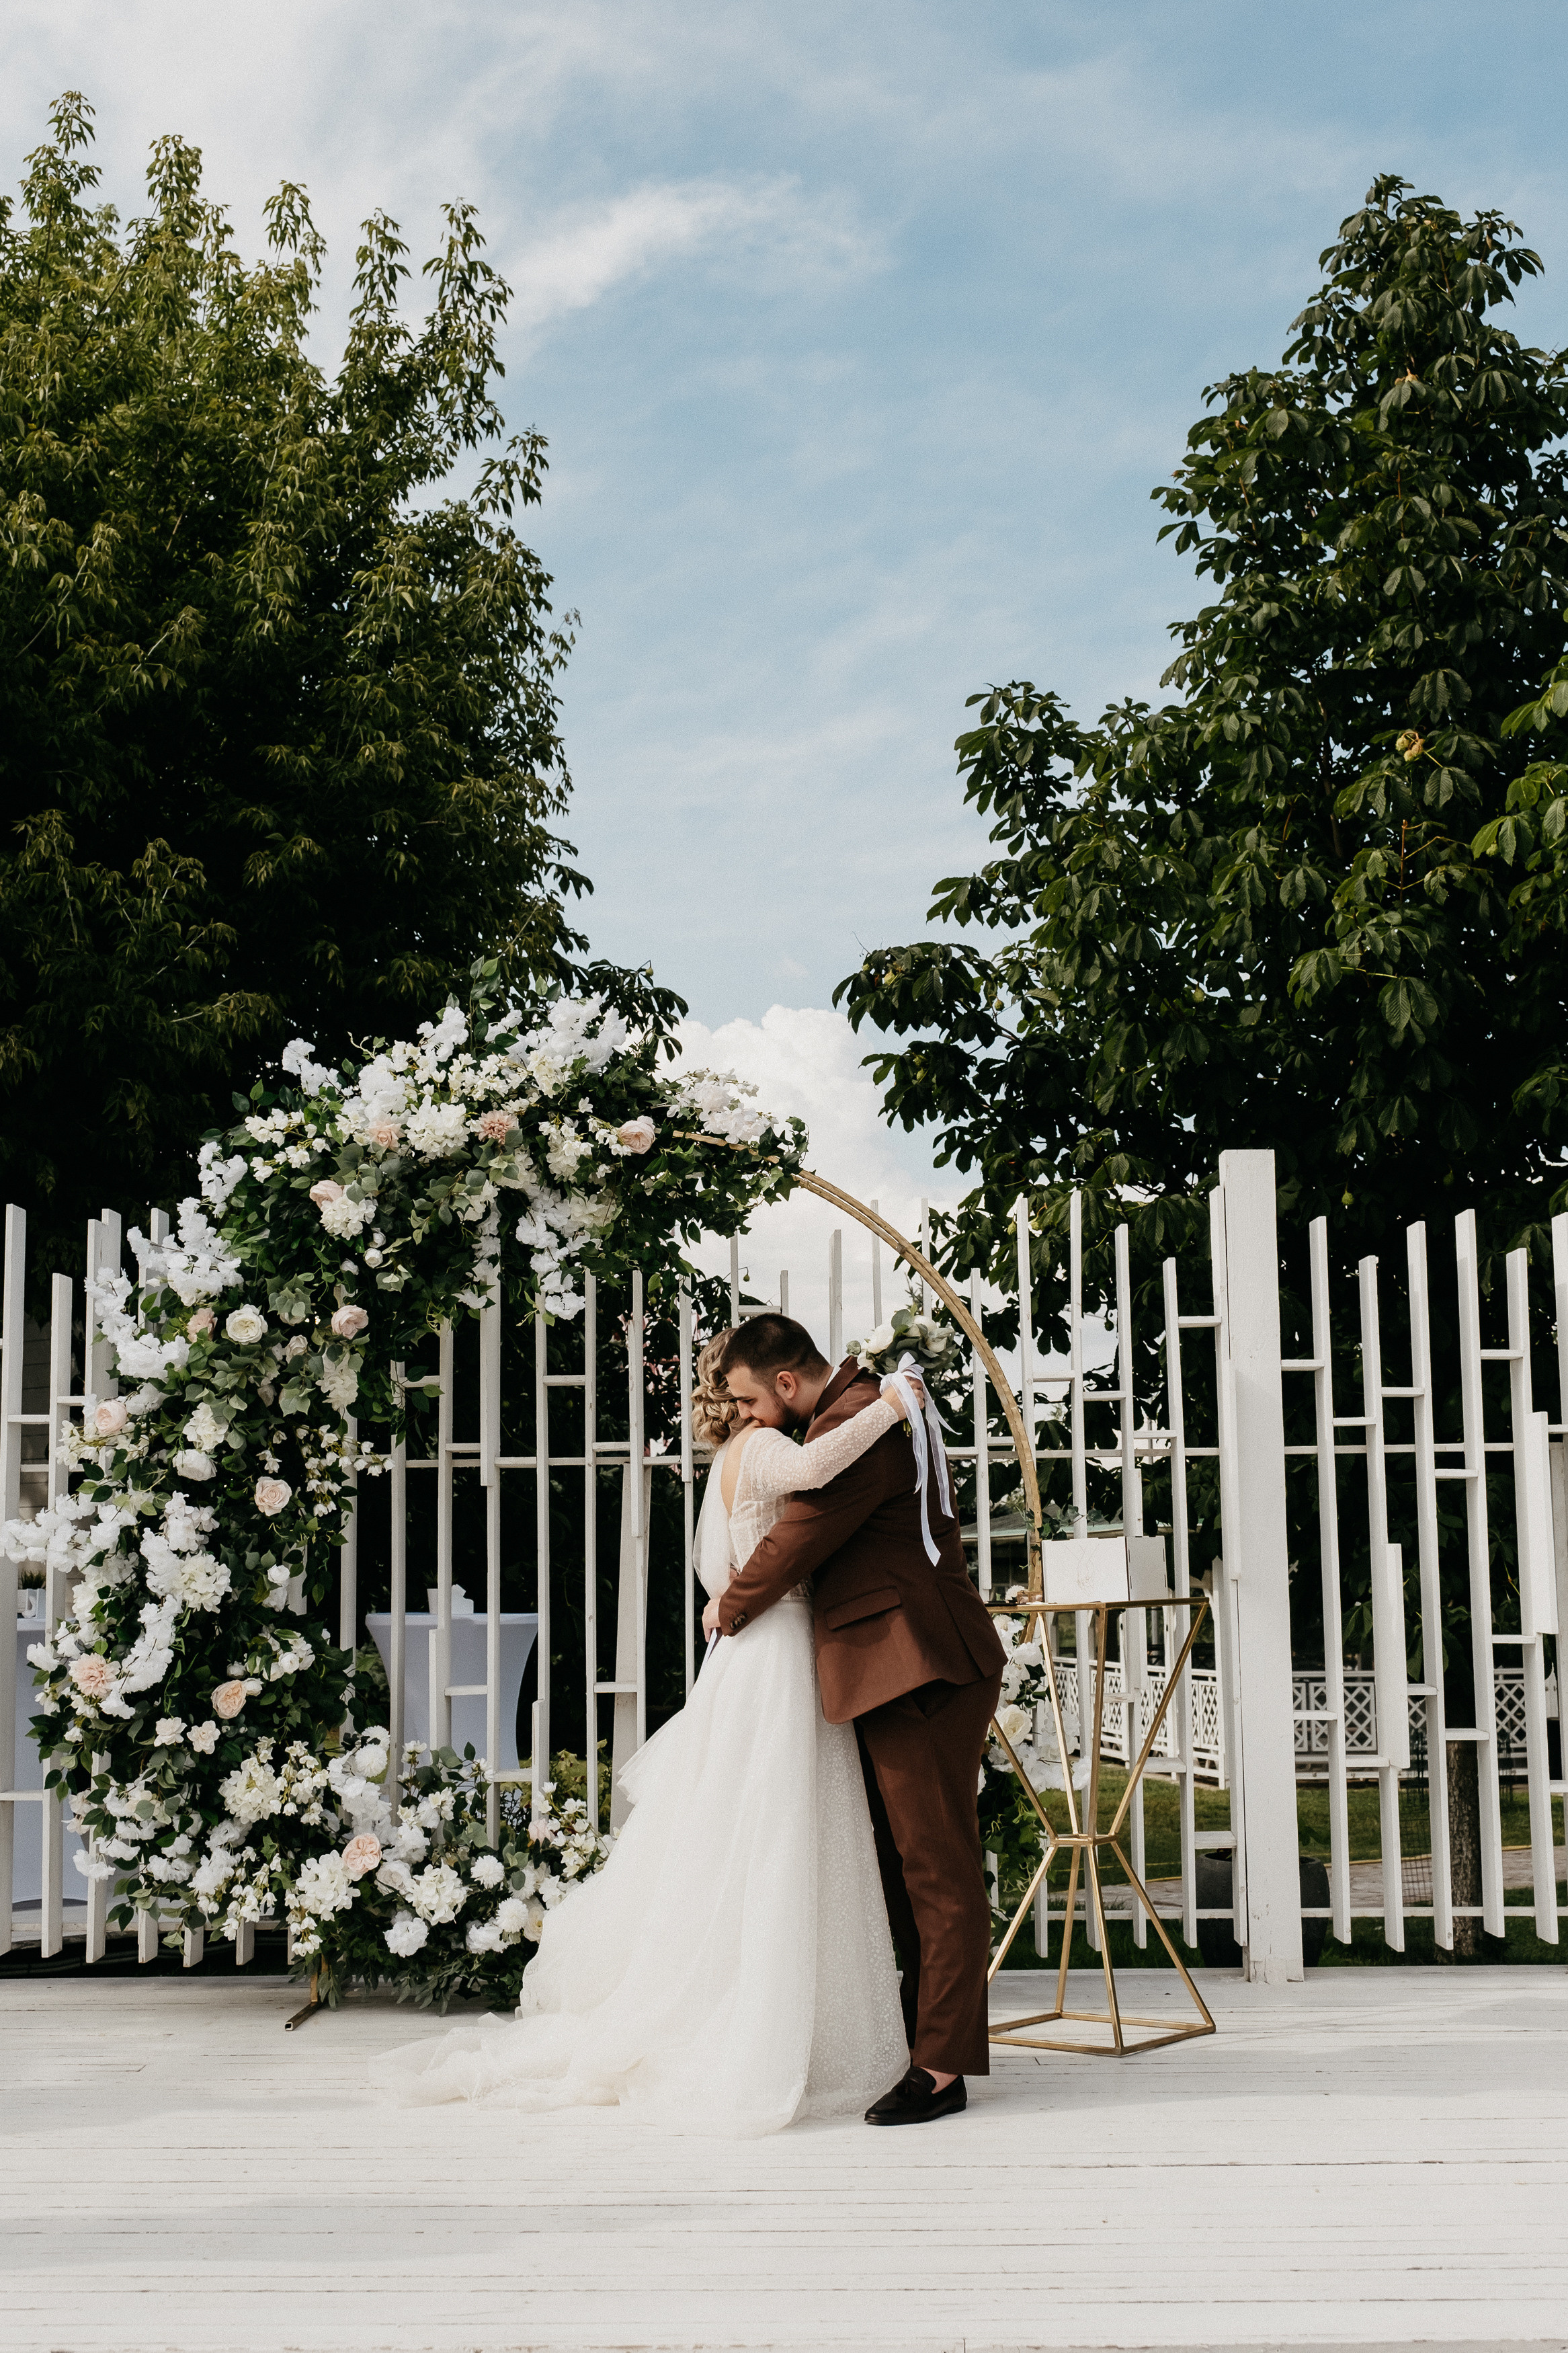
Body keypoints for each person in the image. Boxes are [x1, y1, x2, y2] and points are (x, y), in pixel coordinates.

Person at [370, 1329, 914, 2135]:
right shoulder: (764, 1447)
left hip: (746, 1653)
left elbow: (724, 1562)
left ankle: (772, 2002)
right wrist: (892, 1404)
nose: (755, 1407)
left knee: (748, 1826)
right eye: (749, 1397)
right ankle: (769, 2018)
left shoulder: (731, 1455)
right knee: (776, 1828)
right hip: (773, 1656)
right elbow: (810, 1472)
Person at [708, 1314, 1006, 2129]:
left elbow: (801, 1535)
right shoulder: (848, 1413)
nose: (741, 1414)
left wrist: (727, 1608)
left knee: (935, 1869)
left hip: (919, 1664)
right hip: (892, 1664)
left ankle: (941, 2069)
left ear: (786, 1382)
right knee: (903, 1868)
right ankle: (920, 2043)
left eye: (745, 1398)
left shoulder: (855, 1421)